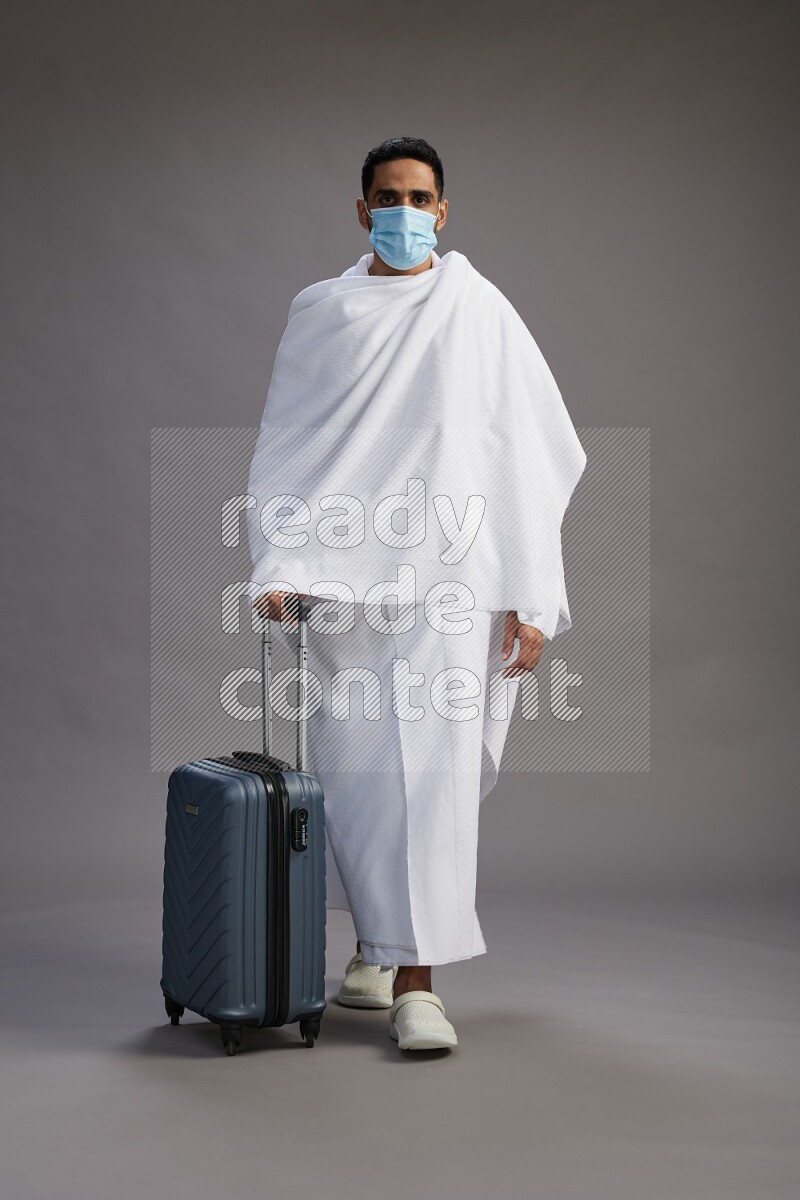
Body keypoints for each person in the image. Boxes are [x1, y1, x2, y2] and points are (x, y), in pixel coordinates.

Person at [248, 136, 586, 1052]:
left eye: (421, 196)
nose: (405, 210)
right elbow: (290, 444)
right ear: (362, 211)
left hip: (449, 584)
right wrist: (278, 561)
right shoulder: (322, 313)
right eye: (388, 196)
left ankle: (418, 987)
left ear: (444, 210)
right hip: (341, 588)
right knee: (355, 783)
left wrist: (529, 592)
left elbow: (526, 451)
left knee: (427, 782)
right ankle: (371, 952)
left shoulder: (478, 312)